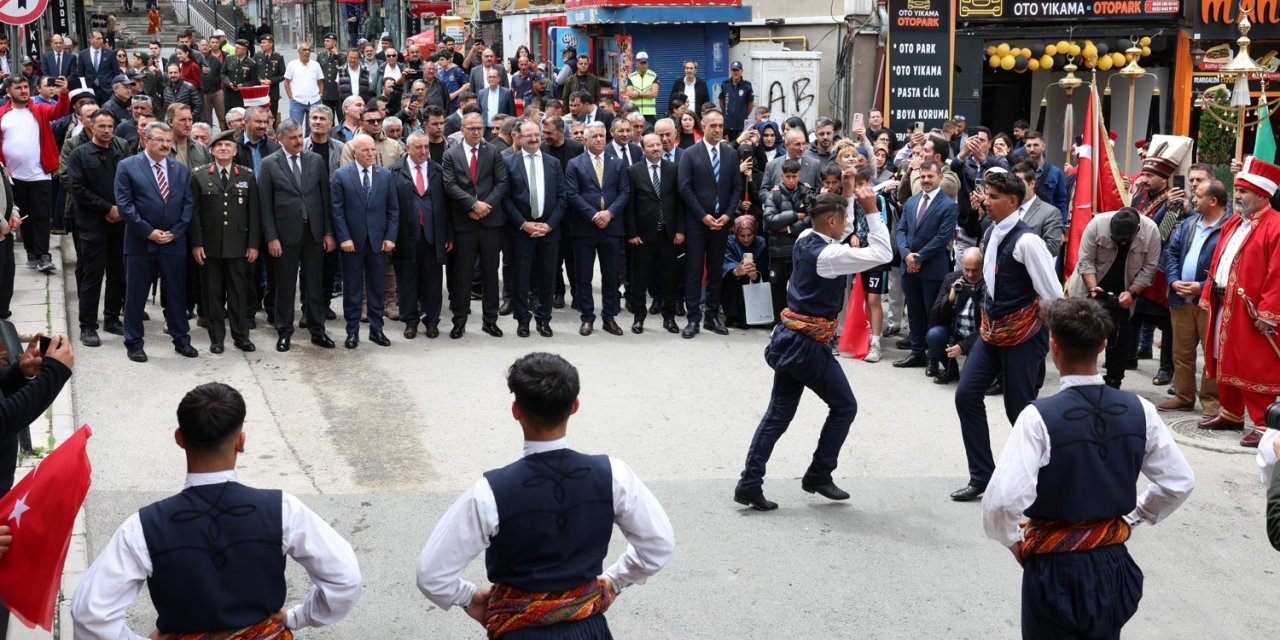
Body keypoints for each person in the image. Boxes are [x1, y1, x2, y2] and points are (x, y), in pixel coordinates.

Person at [72, 382, 362, 638]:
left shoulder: (144, 526)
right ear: (241, 441)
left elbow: (90, 613)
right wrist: (300, 616)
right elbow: (345, 577)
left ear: (179, 438)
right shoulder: (282, 509)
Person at [417, 353, 674, 637]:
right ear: (574, 406)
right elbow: (658, 545)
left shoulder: (489, 492)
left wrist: (469, 598)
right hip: (588, 630)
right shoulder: (614, 474)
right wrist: (614, 581)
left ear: (516, 410)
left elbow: (432, 575)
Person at [987, 298, 1195, 637]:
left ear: (1053, 345)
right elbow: (1179, 482)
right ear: (1102, 345)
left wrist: (1015, 543)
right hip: (1112, 563)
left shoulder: (1038, 417)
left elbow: (1000, 502)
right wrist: (1132, 516)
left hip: (1057, 566)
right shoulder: (1139, 409)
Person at [734, 188, 891, 510]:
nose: (848, 225)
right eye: (844, 219)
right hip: (808, 346)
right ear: (831, 220)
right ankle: (818, 473)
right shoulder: (830, 257)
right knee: (844, 407)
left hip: (790, 339)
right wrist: (873, 211)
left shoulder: (807, 235)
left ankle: (750, 482)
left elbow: (839, 229)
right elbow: (883, 253)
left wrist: (849, 195)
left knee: (778, 415)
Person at [950, 170, 1062, 502]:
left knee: (1021, 413)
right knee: (966, 395)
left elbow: (1053, 294)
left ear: (1013, 201)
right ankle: (982, 476)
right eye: (985, 194)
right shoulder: (990, 233)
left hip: (1024, 335)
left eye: (993, 196)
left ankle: (1048, 478)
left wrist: (1061, 343)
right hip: (992, 331)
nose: (985, 200)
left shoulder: (1028, 241)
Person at [1199, 156, 1280, 447]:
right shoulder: (1234, 221)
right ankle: (1231, 412)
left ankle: (1262, 422)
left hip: (1253, 310)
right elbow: (1219, 258)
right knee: (1224, 357)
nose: (1238, 195)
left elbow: (1279, 273)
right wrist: (1210, 291)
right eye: (1238, 189)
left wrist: (1269, 312)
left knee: (1255, 363)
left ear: (1262, 193)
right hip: (1225, 302)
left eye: (1244, 190)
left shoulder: (1276, 225)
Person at [115, 121, 197, 363]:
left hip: (173, 243)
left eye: (167, 140)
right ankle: (134, 343)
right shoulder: (128, 166)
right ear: (145, 141)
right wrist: (149, 232)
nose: (164, 144)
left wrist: (176, 232)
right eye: (159, 140)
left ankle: (182, 339)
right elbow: (125, 205)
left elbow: (188, 205)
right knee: (136, 295)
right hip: (140, 243)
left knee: (176, 294)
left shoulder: (179, 169)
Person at [260, 119, 337, 352]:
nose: (297, 141)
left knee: (314, 283)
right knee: (284, 286)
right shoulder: (269, 164)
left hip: (313, 232)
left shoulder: (315, 160)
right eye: (292, 138)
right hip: (284, 235)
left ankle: (317, 330)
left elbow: (324, 199)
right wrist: (271, 237)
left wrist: (327, 232)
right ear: (280, 138)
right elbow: (265, 204)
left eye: (298, 136)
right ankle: (284, 331)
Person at [1068, 208, 1162, 389]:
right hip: (1091, 287)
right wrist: (1094, 289)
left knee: (1119, 338)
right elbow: (1085, 261)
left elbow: (1150, 268)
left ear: (1138, 228)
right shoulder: (1096, 225)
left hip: (1125, 291)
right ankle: (1081, 379)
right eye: (1116, 238)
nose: (1121, 242)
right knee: (1083, 336)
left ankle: (1113, 380)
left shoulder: (1151, 231)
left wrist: (1133, 293)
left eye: (1126, 240)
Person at [1161, 178, 1228, 415]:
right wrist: (1173, 280)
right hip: (1181, 299)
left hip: (1210, 300)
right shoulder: (1188, 223)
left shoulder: (1229, 228)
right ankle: (1183, 396)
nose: (1192, 199)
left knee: (1212, 353)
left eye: (1198, 195)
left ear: (1213, 200)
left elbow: (1230, 267)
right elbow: (1171, 254)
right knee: (1181, 352)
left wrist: (1202, 286)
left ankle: (1210, 401)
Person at [189, 129, 260, 354]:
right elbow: (194, 214)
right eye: (218, 146)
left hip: (238, 246)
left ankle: (241, 336)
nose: (223, 149)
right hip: (209, 247)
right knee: (213, 295)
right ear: (211, 150)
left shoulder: (246, 175)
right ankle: (217, 338)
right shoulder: (200, 175)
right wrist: (196, 244)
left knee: (239, 293)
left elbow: (254, 212)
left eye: (228, 146)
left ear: (235, 150)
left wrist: (253, 244)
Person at [66, 109, 130, 347]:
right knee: (92, 276)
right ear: (91, 127)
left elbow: (130, 184)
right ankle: (88, 326)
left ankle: (112, 318)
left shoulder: (121, 153)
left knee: (118, 274)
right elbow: (78, 189)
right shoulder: (79, 155)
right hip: (93, 225)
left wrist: (120, 209)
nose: (106, 130)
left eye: (110, 126)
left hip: (120, 223)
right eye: (101, 126)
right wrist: (107, 208)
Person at [442, 112, 509, 339]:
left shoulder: (493, 152)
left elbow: (502, 182)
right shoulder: (451, 154)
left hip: (490, 221)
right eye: (471, 128)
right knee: (463, 274)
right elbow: (450, 185)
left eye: (480, 128)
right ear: (462, 130)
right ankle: (459, 320)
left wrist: (485, 206)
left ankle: (490, 320)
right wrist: (472, 204)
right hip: (464, 221)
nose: (477, 132)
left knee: (490, 273)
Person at [678, 109, 742, 338]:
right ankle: (693, 318)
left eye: (720, 126)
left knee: (716, 271)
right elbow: (684, 188)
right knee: (694, 271)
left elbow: (736, 187)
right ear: (702, 127)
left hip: (721, 222)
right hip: (697, 223)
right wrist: (702, 216)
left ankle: (712, 316)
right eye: (712, 126)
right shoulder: (690, 154)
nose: (717, 130)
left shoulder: (730, 154)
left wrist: (727, 215)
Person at [331, 134, 399, 348]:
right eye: (365, 150)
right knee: (352, 288)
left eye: (372, 150)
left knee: (377, 287)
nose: (370, 153)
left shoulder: (385, 175)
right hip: (352, 242)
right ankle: (352, 331)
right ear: (354, 153)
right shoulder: (341, 175)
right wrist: (344, 238)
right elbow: (337, 211)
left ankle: (377, 329)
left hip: (378, 242)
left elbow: (393, 210)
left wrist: (390, 237)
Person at [565, 121, 631, 337]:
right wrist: (594, 215)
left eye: (602, 136)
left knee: (611, 275)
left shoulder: (617, 163)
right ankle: (587, 317)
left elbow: (624, 192)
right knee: (584, 275)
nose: (599, 139)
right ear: (585, 139)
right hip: (585, 227)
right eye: (594, 136)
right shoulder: (575, 164)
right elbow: (572, 194)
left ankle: (609, 317)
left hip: (611, 227)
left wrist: (609, 213)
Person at [0, 75, 69, 275]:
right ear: (8, 92)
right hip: (13, 176)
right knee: (24, 217)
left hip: (39, 174)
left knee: (40, 215)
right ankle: (32, 252)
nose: (23, 90)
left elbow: (60, 111)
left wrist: (63, 94)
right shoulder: (3, 114)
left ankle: (43, 254)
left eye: (25, 87)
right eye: (18, 88)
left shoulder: (39, 109)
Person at [893, 161, 959, 369]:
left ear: (940, 177)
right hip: (909, 267)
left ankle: (933, 358)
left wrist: (918, 258)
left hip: (932, 268)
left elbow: (942, 238)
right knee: (914, 312)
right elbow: (901, 231)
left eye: (930, 176)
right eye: (922, 177)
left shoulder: (949, 205)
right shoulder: (912, 202)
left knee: (932, 313)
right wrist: (906, 256)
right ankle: (916, 353)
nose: (926, 180)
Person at [503, 120, 563, 338]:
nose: (534, 138)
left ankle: (544, 319)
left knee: (548, 278)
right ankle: (523, 320)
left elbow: (562, 197)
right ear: (518, 136)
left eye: (537, 134)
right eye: (528, 135)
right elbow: (506, 199)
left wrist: (549, 225)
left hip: (549, 230)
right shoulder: (509, 162)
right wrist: (524, 224)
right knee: (521, 278)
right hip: (521, 231)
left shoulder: (553, 163)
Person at [394, 132, 451, 340]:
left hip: (432, 236)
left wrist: (447, 235)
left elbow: (446, 207)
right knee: (407, 280)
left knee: (433, 281)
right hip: (405, 236)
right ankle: (410, 321)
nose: (424, 151)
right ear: (408, 148)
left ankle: (432, 321)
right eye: (419, 147)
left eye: (426, 147)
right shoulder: (395, 171)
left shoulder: (437, 170)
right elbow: (391, 208)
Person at [626, 132, 684, 334]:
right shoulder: (633, 171)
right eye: (650, 146)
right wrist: (632, 232)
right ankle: (638, 317)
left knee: (669, 277)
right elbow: (630, 205)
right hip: (643, 235)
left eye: (658, 145)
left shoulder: (673, 169)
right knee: (640, 279)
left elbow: (679, 203)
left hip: (668, 234)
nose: (656, 148)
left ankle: (669, 318)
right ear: (643, 150)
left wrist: (679, 230)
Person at [928, 247, 984, 385]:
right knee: (933, 335)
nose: (970, 274)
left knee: (967, 380)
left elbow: (990, 327)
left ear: (983, 267)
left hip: (980, 337)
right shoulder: (952, 279)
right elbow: (936, 316)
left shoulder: (989, 284)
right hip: (957, 332)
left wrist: (964, 346)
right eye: (967, 269)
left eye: (975, 270)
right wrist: (951, 297)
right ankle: (950, 368)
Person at [720, 215, 768, 330]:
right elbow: (724, 265)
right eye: (742, 236)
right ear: (736, 234)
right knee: (733, 278)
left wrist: (755, 275)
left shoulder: (761, 243)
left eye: (749, 235)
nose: (746, 239)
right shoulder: (729, 242)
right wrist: (736, 271)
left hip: (754, 283)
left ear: (755, 233)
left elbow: (765, 266)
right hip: (734, 285)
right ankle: (733, 315)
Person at [284, 42, 326, 135]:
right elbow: (286, 82)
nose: (307, 52)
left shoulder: (316, 65)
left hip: (314, 100)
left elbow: (320, 81)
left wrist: (320, 94)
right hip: (297, 101)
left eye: (309, 50)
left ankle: (310, 148)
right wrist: (291, 97)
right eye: (304, 50)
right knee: (294, 128)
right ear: (299, 52)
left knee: (312, 129)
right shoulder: (292, 64)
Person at [718, 61, 753, 142]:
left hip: (741, 124)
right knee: (728, 146)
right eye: (733, 70)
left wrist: (742, 114)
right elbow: (721, 101)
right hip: (727, 124)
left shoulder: (747, 86)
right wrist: (726, 113)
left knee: (740, 145)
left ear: (741, 71)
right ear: (731, 71)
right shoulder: (725, 84)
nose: (735, 72)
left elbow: (750, 104)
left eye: (737, 70)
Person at [625, 52, 659, 122]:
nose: (643, 65)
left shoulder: (654, 76)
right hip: (634, 112)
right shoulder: (631, 77)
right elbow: (630, 95)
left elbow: (654, 94)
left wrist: (638, 94)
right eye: (641, 63)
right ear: (636, 63)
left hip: (649, 113)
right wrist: (647, 93)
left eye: (645, 63)